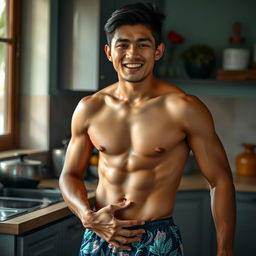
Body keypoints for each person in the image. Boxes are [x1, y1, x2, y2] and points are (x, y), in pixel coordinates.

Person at [59, 3, 236, 256]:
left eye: (143, 44)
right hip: (100, 234)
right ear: (109, 52)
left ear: (158, 51)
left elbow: (220, 180)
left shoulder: (184, 109)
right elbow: (69, 175)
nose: (132, 54)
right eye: (123, 45)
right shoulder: (90, 108)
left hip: (156, 239)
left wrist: (225, 250)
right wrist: (87, 216)